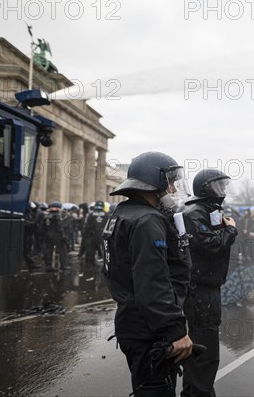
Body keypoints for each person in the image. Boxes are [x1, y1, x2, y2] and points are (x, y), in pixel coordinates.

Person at [101, 151, 194, 397]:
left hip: (131, 322)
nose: (174, 189)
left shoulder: (122, 213)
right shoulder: (147, 221)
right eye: (170, 181)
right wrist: (175, 331)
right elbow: (153, 282)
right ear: (155, 181)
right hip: (150, 331)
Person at [182, 168, 237, 397]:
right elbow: (210, 245)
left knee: (202, 351)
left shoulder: (209, 210)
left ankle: (194, 392)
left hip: (207, 288)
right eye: (218, 186)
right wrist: (231, 230)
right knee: (205, 353)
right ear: (206, 188)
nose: (222, 190)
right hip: (199, 291)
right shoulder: (195, 212)